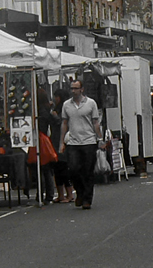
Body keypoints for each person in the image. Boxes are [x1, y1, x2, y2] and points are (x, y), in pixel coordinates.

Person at [59, 80, 104, 210]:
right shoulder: (67, 105)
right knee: (73, 169)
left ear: (82, 89)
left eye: (76, 88)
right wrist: (61, 142)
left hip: (89, 141)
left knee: (87, 171)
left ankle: (87, 199)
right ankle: (79, 192)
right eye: (71, 88)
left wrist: (100, 138)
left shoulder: (91, 103)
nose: (73, 91)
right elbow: (64, 123)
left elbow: (95, 122)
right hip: (73, 141)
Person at [50, 88, 73, 203]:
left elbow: (64, 123)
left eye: (56, 96)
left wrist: (55, 116)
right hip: (54, 140)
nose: (55, 99)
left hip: (63, 140)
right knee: (57, 167)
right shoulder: (55, 108)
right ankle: (60, 194)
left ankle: (69, 194)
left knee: (63, 168)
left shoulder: (65, 109)